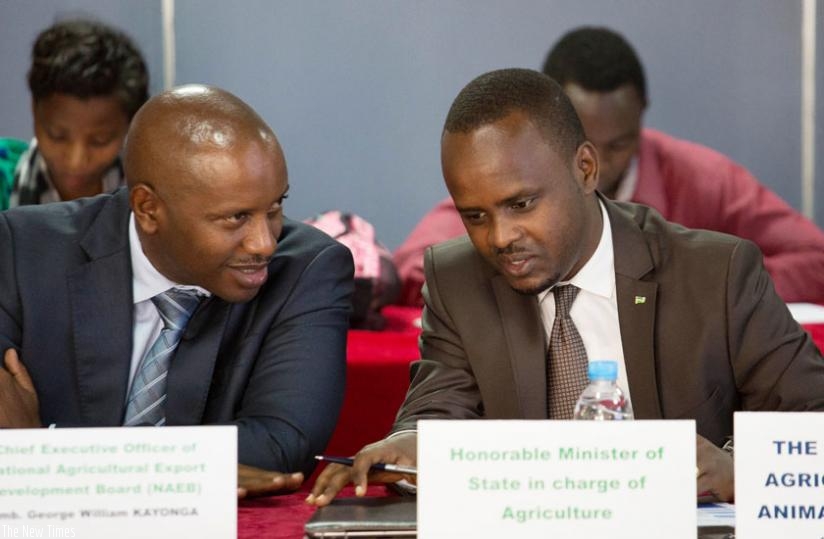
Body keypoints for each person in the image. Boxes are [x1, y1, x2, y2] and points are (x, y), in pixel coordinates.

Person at [308, 68, 824, 506]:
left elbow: (815, 424)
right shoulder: (457, 277)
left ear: (585, 169)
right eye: (475, 215)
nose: (501, 238)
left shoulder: (717, 273)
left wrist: (735, 471)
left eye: (522, 204)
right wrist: (413, 445)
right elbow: (437, 411)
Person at [0, 84, 354, 498]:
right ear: (148, 209)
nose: (264, 243)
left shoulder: (306, 270)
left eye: (275, 207)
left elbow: (278, 445)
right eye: (236, 217)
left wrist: (47, 452)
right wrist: (193, 466)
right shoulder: (22, 249)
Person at [393, 26, 824, 306]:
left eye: (618, 144)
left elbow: (816, 259)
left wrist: (701, 285)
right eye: (584, 147)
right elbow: (416, 265)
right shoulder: (510, 181)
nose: (596, 165)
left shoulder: (703, 177)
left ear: (642, 115)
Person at [0, 18, 148, 210]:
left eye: (99, 140)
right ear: (34, 110)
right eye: (57, 136)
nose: (75, 161)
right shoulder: (4, 180)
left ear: (129, 125)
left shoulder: (149, 193)